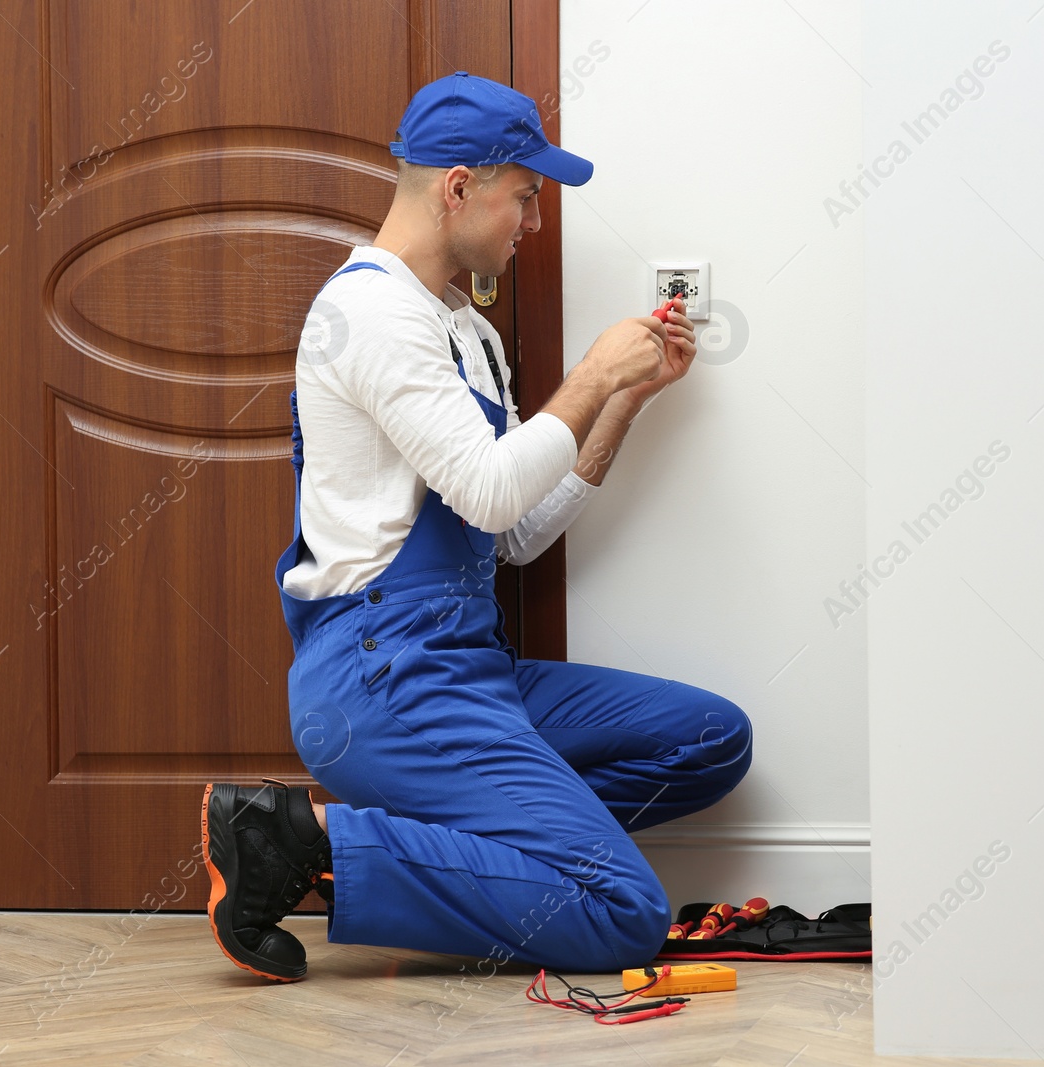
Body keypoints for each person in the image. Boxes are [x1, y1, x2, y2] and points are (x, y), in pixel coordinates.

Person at [202, 71, 752, 983]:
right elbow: (494, 492)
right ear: (458, 187)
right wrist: (589, 374)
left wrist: (625, 398)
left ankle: (518, 842)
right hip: (383, 677)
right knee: (625, 914)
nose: (532, 223)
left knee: (709, 739)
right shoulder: (369, 313)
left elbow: (516, 532)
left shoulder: (463, 323)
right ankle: (299, 835)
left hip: (469, 665)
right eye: (525, 197)